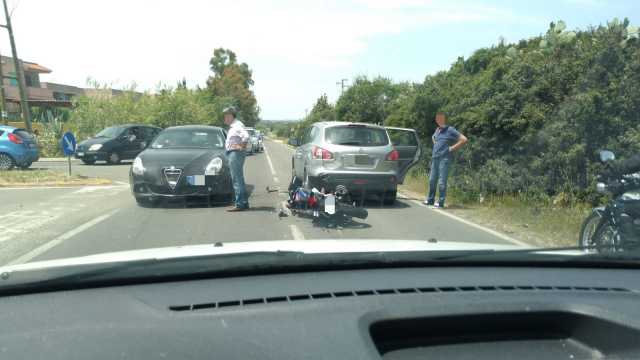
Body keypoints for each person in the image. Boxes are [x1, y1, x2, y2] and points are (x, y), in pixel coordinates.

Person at [424, 113, 468, 208]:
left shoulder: (450, 130)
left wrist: (451, 148)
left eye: (441, 119)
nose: (439, 120)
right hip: (435, 157)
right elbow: (433, 137)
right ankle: (430, 200)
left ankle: (440, 202)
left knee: (441, 181)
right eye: (437, 119)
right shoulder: (437, 130)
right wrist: (435, 143)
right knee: (432, 180)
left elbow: (464, 139)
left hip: (444, 159)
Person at [223, 106, 250, 212]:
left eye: (225, 116)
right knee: (239, 178)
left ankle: (239, 204)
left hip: (235, 154)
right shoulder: (234, 126)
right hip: (234, 153)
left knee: (236, 179)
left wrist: (241, 147)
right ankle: (243, 203)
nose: (224, 119)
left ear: (230, 116)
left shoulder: (237, 126)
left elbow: (246, 136)